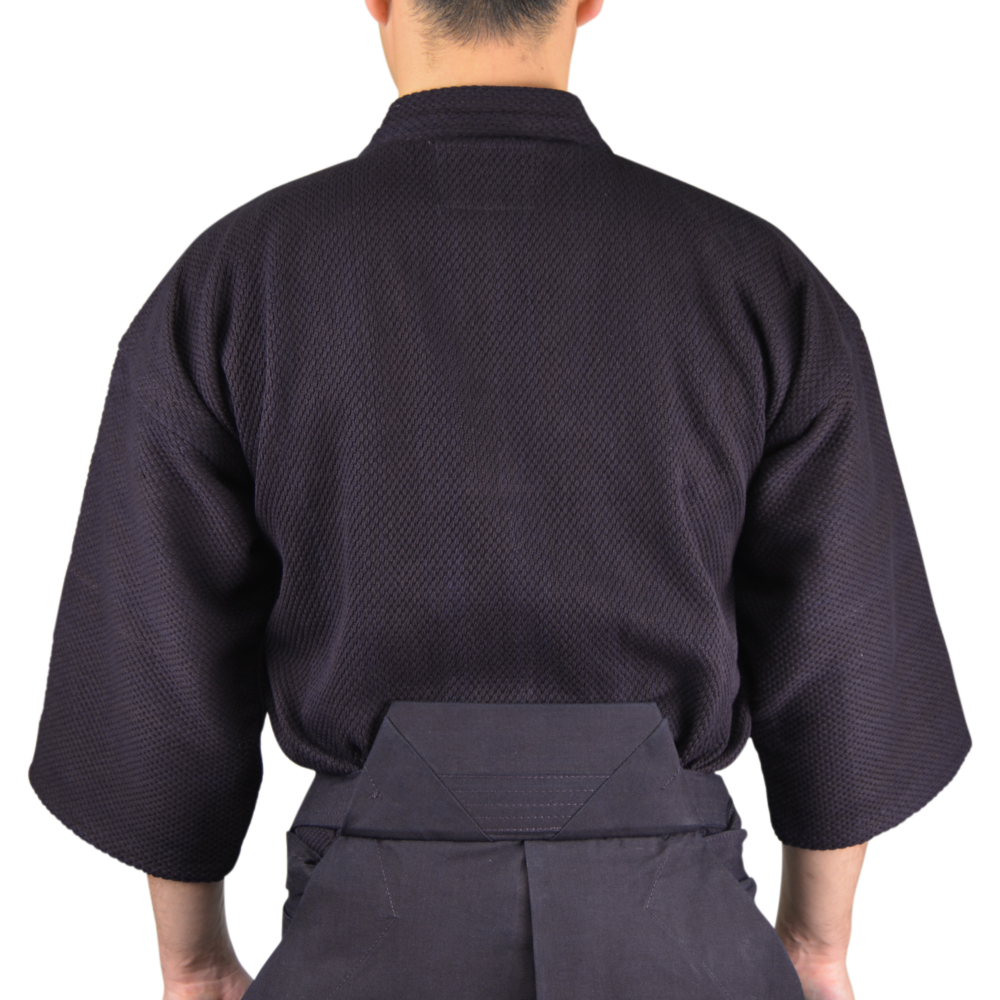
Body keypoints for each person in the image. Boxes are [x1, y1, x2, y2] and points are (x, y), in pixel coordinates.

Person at [28, 1, 971, 999]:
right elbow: (845, 656)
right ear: (589, 2)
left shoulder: (234, 280)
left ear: (379, 0)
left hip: (367, 935)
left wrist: (195, 963)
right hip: (679, 939)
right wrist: (816, 947)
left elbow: (157, 663)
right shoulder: (758, 282)